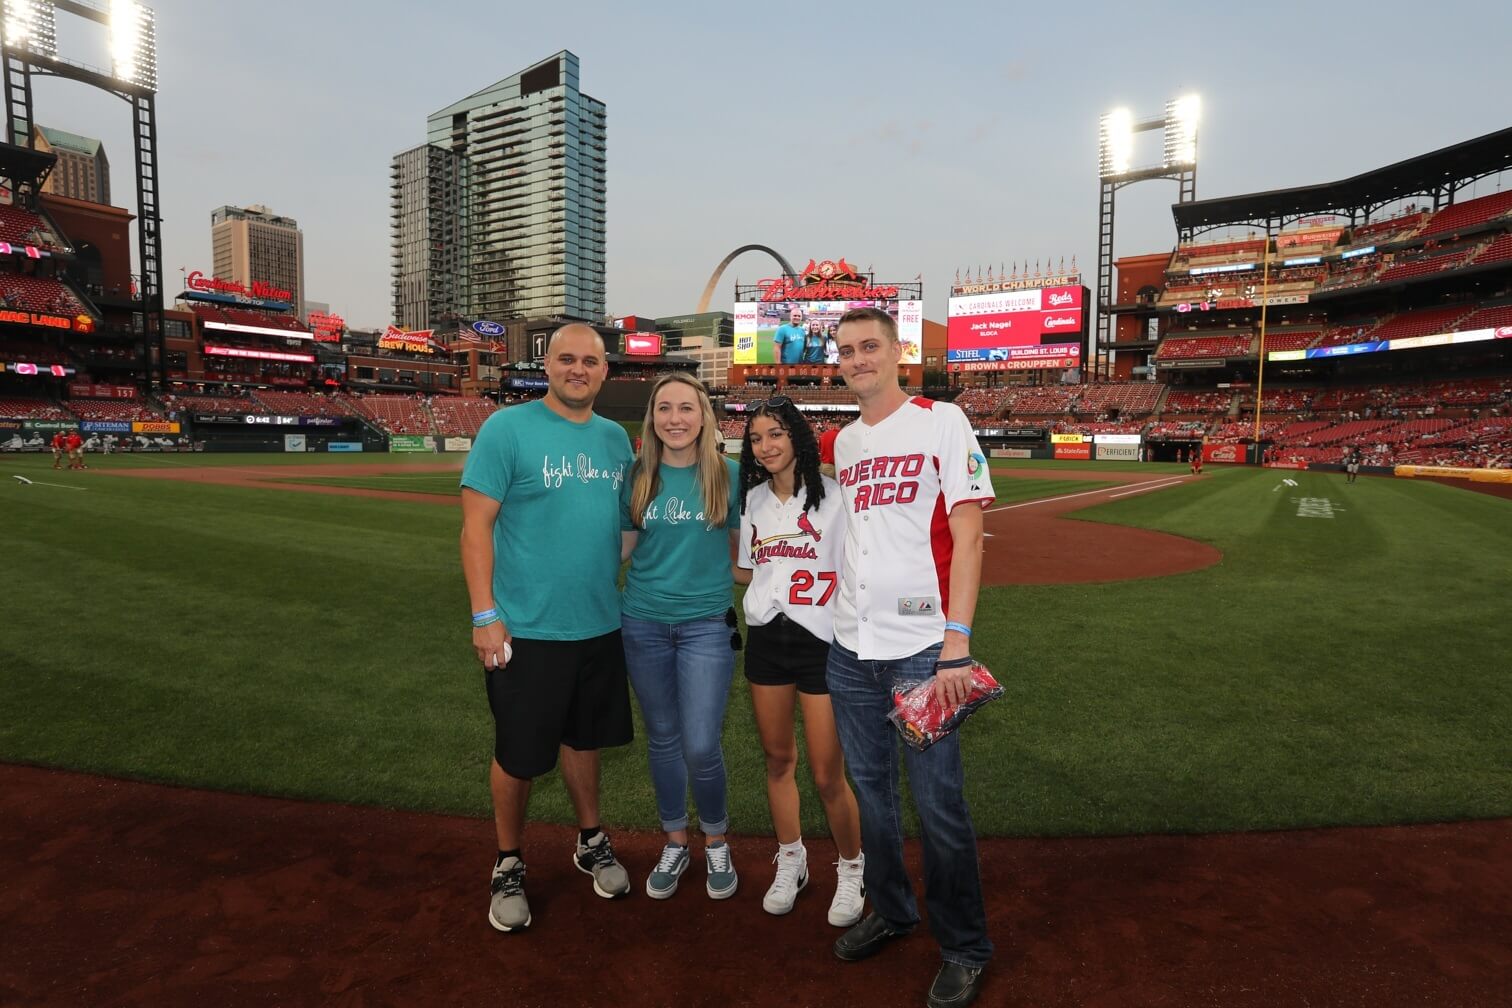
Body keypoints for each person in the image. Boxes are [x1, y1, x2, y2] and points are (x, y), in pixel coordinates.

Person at [826, 307, 995, 1008]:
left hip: (925, 651)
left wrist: (957, 642)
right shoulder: (841, 444)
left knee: (938, 804)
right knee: (871, 797)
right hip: (849, 649)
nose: (858, 358)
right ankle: (893, 910)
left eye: (871, 346)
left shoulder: (941, 420)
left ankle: (964, 946)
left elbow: (970, 530)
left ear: (898, 352)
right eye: (847, 350)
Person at [459, 323, 636, 934]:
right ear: (548, 365)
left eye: (590, 361)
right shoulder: (507, 428)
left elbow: (625, 529)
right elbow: (475, 528)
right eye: (567, 359)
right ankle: (507, 863)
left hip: (596, 624)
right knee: (519, 752)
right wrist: (486, 616)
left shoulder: (617, 441)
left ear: (605, 371)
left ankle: (590, 838)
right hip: (525, 629)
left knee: (584, 740)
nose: (578, 369)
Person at [733, 396, 865, 925]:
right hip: (768, 638)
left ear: (798, 438)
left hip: (821, 642)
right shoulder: (752, 501)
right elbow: (747, 569)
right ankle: (792, 859)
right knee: (778, 761)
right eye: (757, 438)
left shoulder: (836, 497)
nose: (765, 447)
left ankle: (853, 867)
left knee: (828, 773)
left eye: (776, 435)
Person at [620, 372, 743, 901]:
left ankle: (716, 838)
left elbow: (747, 561)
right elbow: (620, 552)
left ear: (703, 416)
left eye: (686, 408)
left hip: (706, 628)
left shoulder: (730, 475)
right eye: (664, 408)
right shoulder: (636, 477)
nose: (675, 418)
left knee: (700, 744)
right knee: (664, 740)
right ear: (653, 417)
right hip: (642, 623)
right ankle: (675, 839)